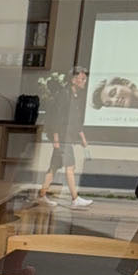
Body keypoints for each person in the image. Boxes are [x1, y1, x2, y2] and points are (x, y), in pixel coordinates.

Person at [38, 64, 93, 207]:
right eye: (82, 78)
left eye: (85, 79)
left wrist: (83, 139)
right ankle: (75, 198)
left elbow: (75, 120)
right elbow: (57, 118)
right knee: (70, 167)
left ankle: (42, 195)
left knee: (54, 167)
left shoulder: (75, 96)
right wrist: (56, 141)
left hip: (66, 137)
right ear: (73, 80)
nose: (84, 81)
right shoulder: (64, 94)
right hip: (62, 138)